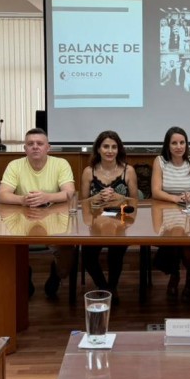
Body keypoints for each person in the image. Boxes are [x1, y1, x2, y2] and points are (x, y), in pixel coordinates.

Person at [0, 127, 75, 299]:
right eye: (30, 144)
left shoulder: (60, 164)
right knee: (7, 247)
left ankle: (57, 273)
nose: (35, 147)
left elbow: (69, 192)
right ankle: (24, 273)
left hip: (55, 219)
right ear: (25, 148)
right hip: (22, 220)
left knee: (67, 248)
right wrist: (22, 200)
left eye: (40, 143)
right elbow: (1, 195)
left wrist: (47, 197)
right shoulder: (15, 165)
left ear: (48, 147)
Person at [151, 126, 190, 300]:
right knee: (173, 242)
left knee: (188, 246)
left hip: (189, 211)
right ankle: (175, 275)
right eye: (174, 143)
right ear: (167, 145)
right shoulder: (160, 161)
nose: (179, 147)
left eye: (182, 142)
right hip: (166, 211)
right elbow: (156, 191)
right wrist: (175, 198)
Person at [80, 130, 139, 304]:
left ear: (119, 149)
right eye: (106, 146)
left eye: (114, 147)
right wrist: (97, 197)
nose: (110, 151)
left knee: (116, 251)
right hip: (95, 223)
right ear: (98, 149)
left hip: (120, 220)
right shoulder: (89, 172)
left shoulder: (128, 171)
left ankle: (112, 287)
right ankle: (104, 287)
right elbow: (82, 202)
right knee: (88, 255)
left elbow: (136, 201)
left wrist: (121, 198)